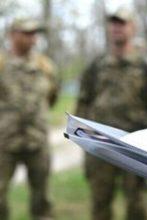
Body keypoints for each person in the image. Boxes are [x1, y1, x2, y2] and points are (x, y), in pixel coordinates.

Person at [75, 8, 147, 220]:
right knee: (100, 202)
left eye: (122, 23)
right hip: (99, 144)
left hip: (133, 147)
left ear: (133, 28)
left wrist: (144, 138)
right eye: (113, 23)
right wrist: (84, 136)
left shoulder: (146, 67)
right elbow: (84, 101)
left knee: (136, 205)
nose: (117, 28)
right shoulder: (96, 66)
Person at [0, 18, 59, 220]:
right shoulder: (1, 64)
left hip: (37, 142)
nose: (32, 38)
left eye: (34, 33)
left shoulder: (45, 66)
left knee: (42, 200)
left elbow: (52, 97)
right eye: (27, 33)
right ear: (12, 34)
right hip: (4, 143)